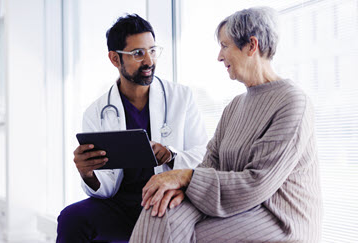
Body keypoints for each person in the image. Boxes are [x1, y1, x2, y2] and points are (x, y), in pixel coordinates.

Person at [130, 7, 322, 243]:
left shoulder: (292, 102)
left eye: (225, 45)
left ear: (252, 45)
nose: (219, 57)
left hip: (278, 217)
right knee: (159, 212)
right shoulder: (235, 106)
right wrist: (179, 187)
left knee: (181, 231)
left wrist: (186, 178)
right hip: (238, 207)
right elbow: (211, 163)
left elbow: (257, 183)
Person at [56, 14, 208, 242]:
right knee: (71, 218)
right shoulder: (96, 112)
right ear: (115, 59)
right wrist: (87, 174)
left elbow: (203, 156)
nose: (149, 60)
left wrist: (171, 154)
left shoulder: (181, 98)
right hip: (119, 205)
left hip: (165, 200)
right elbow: (105, 187)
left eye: (152, 50)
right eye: (138, 53)